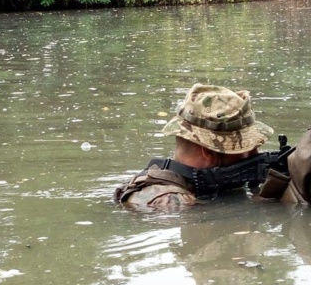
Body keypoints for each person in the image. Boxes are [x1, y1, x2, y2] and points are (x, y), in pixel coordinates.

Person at [115, 84, 275, 210]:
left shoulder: (189, 188)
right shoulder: (170, 203)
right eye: (246, 147)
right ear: (208, 152)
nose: (256, 153)